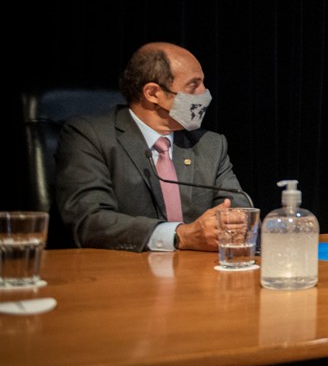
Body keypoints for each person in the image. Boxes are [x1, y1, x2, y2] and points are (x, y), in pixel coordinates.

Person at [54, 42, 244, 252]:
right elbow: (89, 220)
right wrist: (179, 235)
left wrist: (236, 222)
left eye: (203, 83)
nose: (205, 93)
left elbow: (237, 208)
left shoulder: (211, 144)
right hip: (123, 273)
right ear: (153, 93)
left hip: (199, 273)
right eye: (193, 85)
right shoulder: (90, 136)